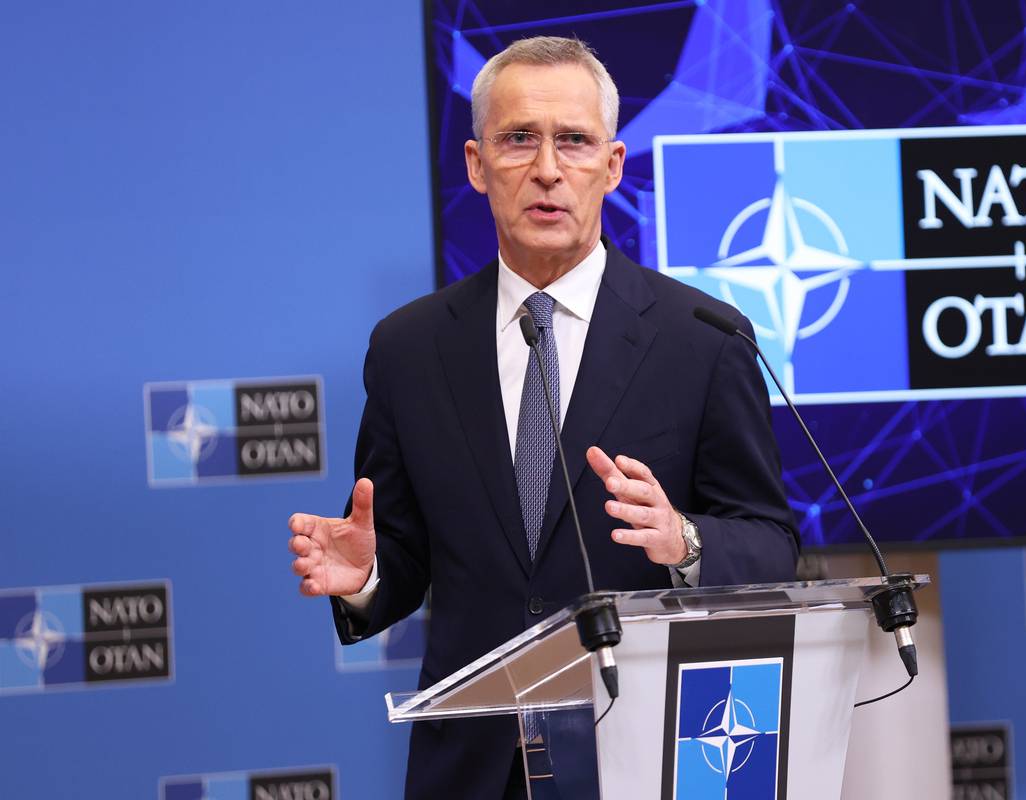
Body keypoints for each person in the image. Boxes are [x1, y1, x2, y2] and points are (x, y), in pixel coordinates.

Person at [286, 36, 799, 799]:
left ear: (614, 165)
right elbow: (400, 553)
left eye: (574, 141)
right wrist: (366, 575)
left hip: (653, 755)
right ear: (475, 163)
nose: (548, 169)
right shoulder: (409, 349)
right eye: (520, 139)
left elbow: (771, 543)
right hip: (473, 769)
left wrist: (684, 540)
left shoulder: (703, 337)